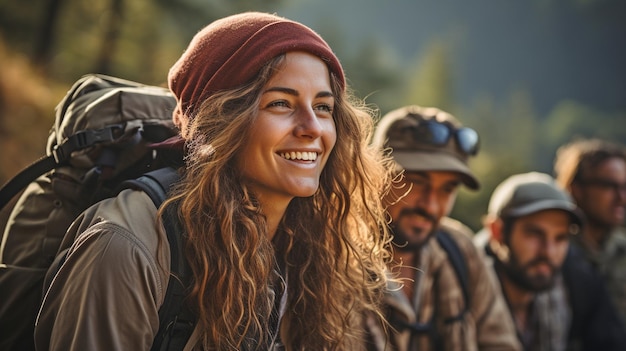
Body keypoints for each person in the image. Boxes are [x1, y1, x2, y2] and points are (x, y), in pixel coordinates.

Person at [34, 12, 394, 350]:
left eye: (323, 107)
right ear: (221, 121)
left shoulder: (309, 249)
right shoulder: (128, 247)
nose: (312, 128)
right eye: (280, 104)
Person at [366, 105, 521, 351]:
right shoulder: (334, 260)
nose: (430, 204)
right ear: (374, 175)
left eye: (447, 189)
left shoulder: (460, 250)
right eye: (416, 182)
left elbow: (500, 343)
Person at [474, 171, 626, 350]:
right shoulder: (463, 288)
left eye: (560, 238)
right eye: (534, 234)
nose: (548, 252)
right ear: (497, 232)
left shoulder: (576, 282)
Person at [553, 138, 626, 324]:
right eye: (609, 186)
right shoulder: (553, 249)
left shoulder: (622, 249)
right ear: (575, 189)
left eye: (624, 187)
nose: (621, 198)